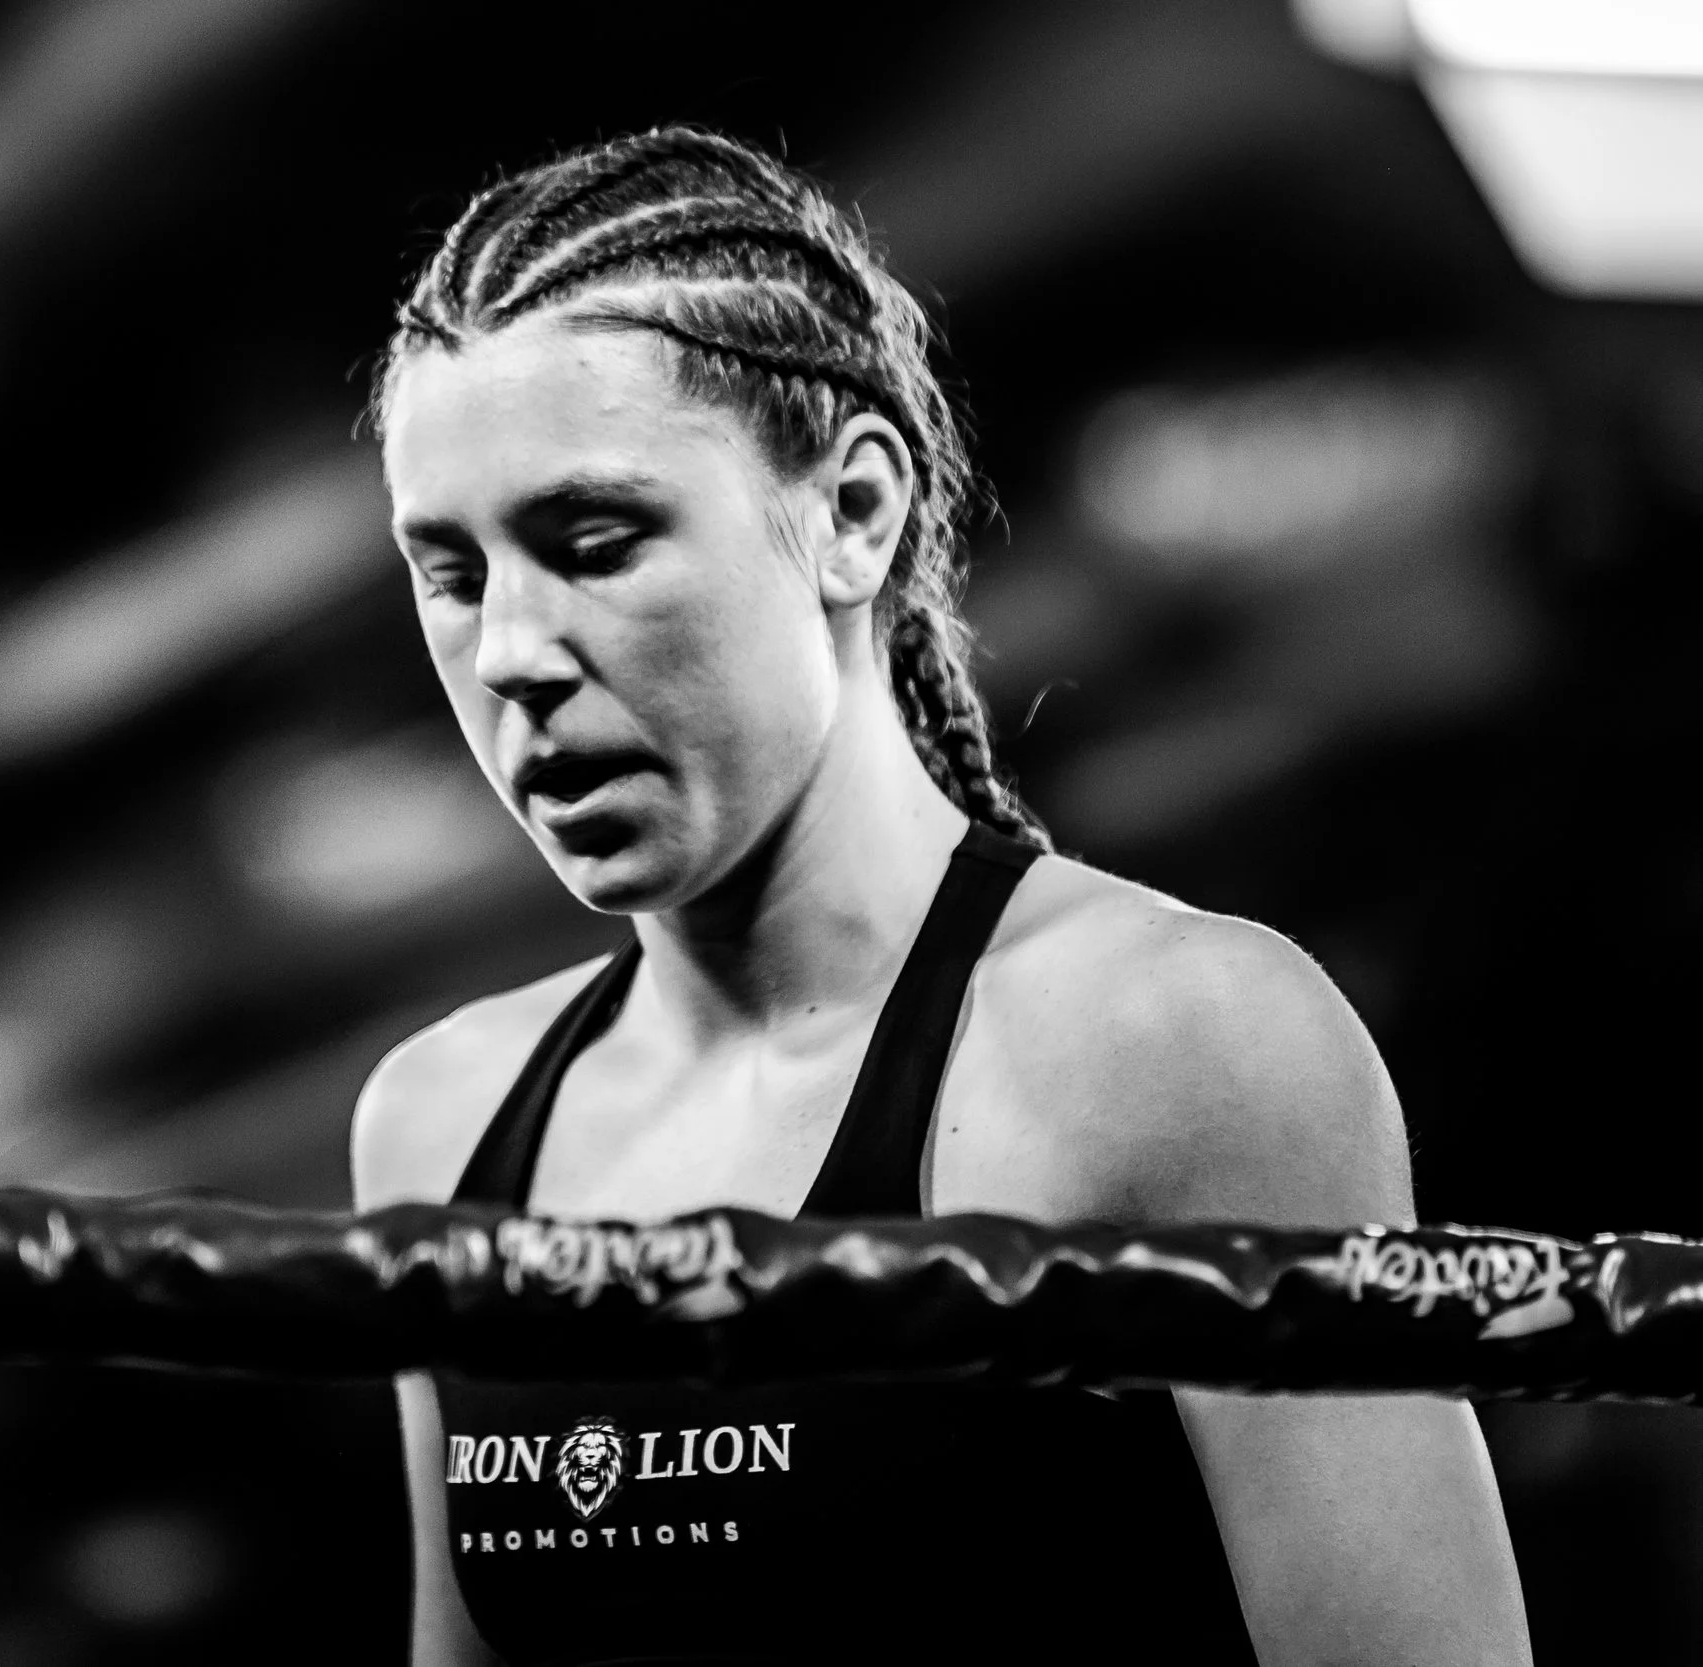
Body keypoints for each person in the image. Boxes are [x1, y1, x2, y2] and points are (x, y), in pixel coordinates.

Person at [348, 128, 1531, 1667]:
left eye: (595, 541)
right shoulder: (438, 1123)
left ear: (851, 511)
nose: (511, 647)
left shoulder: (1174, 1042)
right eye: (451, 569)